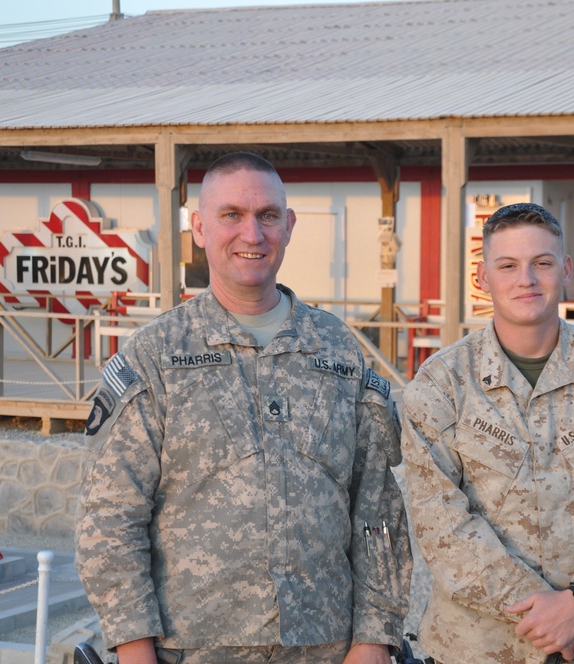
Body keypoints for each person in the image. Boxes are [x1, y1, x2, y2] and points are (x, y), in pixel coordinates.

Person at [76, 151, 411, 664]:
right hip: (193, 648)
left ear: (289, 225)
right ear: (199, 228)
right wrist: (134, 647)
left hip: (327, 647)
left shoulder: (337, 349)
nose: (252, 234)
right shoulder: (156, 355)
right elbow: (110, 514)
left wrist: (375, 638)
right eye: (231, 214)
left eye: (267, 215)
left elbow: (377, 507)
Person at [400, 203, 574, 664]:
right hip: (480, 649)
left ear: (565, 270)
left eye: (542, 263)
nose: (525, 279)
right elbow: (439, 523)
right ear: (483, 277)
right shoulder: (442, 384)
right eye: (507, 265)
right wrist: (548, 614)